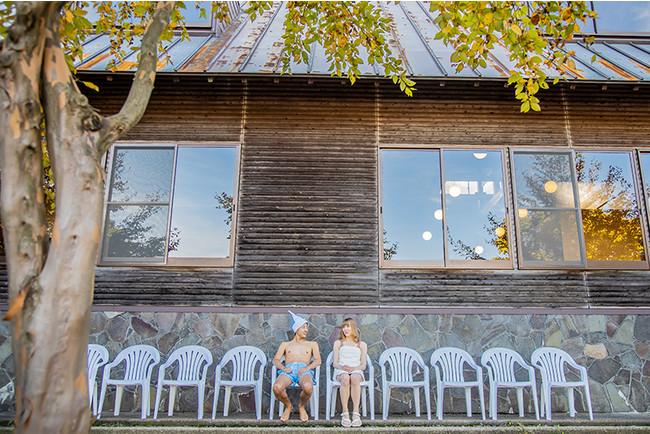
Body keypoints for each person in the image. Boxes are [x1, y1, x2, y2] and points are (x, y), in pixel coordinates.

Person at [272, 310, 321, 422]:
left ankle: (301, 406)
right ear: (296, 329)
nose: (306, 330)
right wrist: (283, 368)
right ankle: (288, 406)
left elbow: (318, 361)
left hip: (304, 370)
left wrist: (307, 368)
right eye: (303, 327)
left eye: (306, 328)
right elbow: (276, 360)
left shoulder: (312, 344)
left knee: (308, 387)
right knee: (277, 388)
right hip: (288, 370)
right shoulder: (285, 345)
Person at [332, 317, 367, 427]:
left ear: (353, 328)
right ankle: (345, 413)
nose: (346, 329)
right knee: (346, 378)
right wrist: (343, 367)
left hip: (356, 370)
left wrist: (354, 368)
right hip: (341, 371)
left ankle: (356, 413)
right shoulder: (338, 343)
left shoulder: (362, 345)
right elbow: (335, 363)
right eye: (344, 327)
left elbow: (363, 365)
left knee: (355, 378)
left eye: (348, 327)